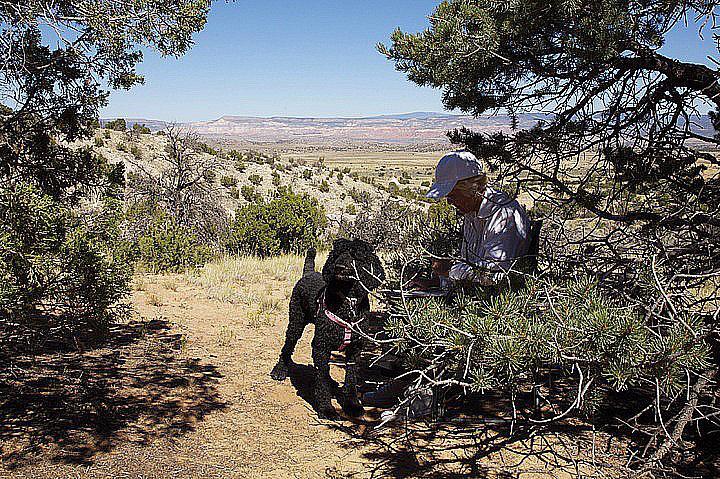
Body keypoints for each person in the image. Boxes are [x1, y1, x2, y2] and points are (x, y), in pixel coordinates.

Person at [422, 150, 530, 287]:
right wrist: (437, 282)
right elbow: (471, 268)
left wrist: (449, 271)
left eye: (452, 195)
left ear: (473, 188)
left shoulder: (503, 214)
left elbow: (495, 275)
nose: (449, 202)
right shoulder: (472, 211)